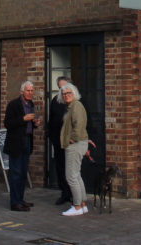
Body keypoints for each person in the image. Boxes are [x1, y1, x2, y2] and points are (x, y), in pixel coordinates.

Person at [4, 80, 40, 212]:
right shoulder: (13, 105)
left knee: (24, 172)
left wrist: (34, 124)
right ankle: (14, 203)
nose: (30, 93)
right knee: (16, 173)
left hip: (27, 141)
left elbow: (29, 125)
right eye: (28, 91)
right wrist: (23, 119)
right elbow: (8, 123)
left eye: (32, 91)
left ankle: (20, 199)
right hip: (16, 143)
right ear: (22, 91)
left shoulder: (31, 104)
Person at [59, 81, 89, 216]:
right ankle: (82, 204)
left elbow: (79, 125)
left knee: (71, 176)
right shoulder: (72, 106)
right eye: (64, 93)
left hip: (75, 145)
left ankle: (76, 206)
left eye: (68, 93)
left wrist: (72, 139)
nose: (66, 95)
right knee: (77, 175)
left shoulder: (76, 106)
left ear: (74, 93)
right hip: (78, 143)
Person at [48, 75, 72, 205]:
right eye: (60, 88)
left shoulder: (75, 102)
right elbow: (51, 119)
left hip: (71, 142)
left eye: (65, 87)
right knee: (60, 167)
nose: (62, 91)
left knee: (72, 169)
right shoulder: (55, 101)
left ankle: (74, 193)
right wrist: (51, 136)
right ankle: (64, 193)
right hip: (58, 141)